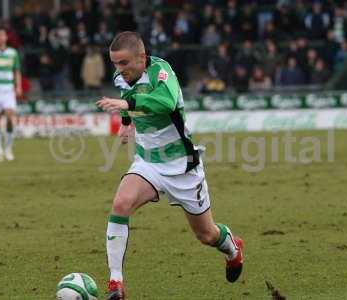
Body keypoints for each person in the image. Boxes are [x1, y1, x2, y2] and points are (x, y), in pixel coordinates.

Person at [96, 31, 244, 300]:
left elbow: (163, 103)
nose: (119, 70)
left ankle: (233, 249)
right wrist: (127, 123)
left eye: (124, 63)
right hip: (148, 163)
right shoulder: (122, 77)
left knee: (207, 235)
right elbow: (128, 97)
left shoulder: (162, 72)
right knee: (120, 204)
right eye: (115, 63)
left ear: (141, 57)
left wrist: (126, 104)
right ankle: (116, 283)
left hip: (182, 167)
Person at [0, 27, 22, 162]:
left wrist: (19, 86)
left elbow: (17, 71)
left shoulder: (12, 53)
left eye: (2, 35)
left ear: (6, 37)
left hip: (8, 89)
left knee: (10, 116)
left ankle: (8, 148)